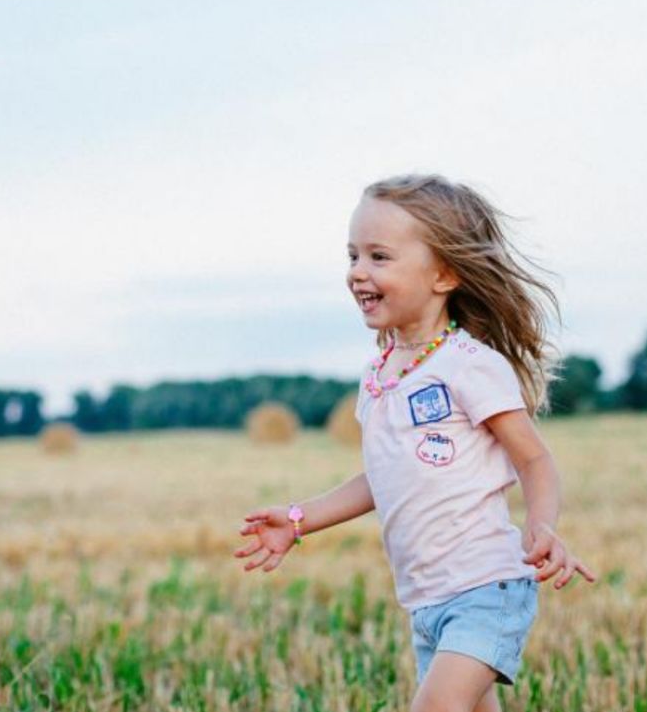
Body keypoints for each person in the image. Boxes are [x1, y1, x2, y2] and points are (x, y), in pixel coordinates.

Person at [232, 173, 597, 712]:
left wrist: (541, 526)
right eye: (352, 255)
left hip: (485, 589)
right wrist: (299, 519)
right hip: (426, 600)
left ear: (444, 274)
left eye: (379, 257)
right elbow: (382, 476)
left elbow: (534, 458)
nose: (358, 272)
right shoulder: (380, 374)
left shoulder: (471, 366)